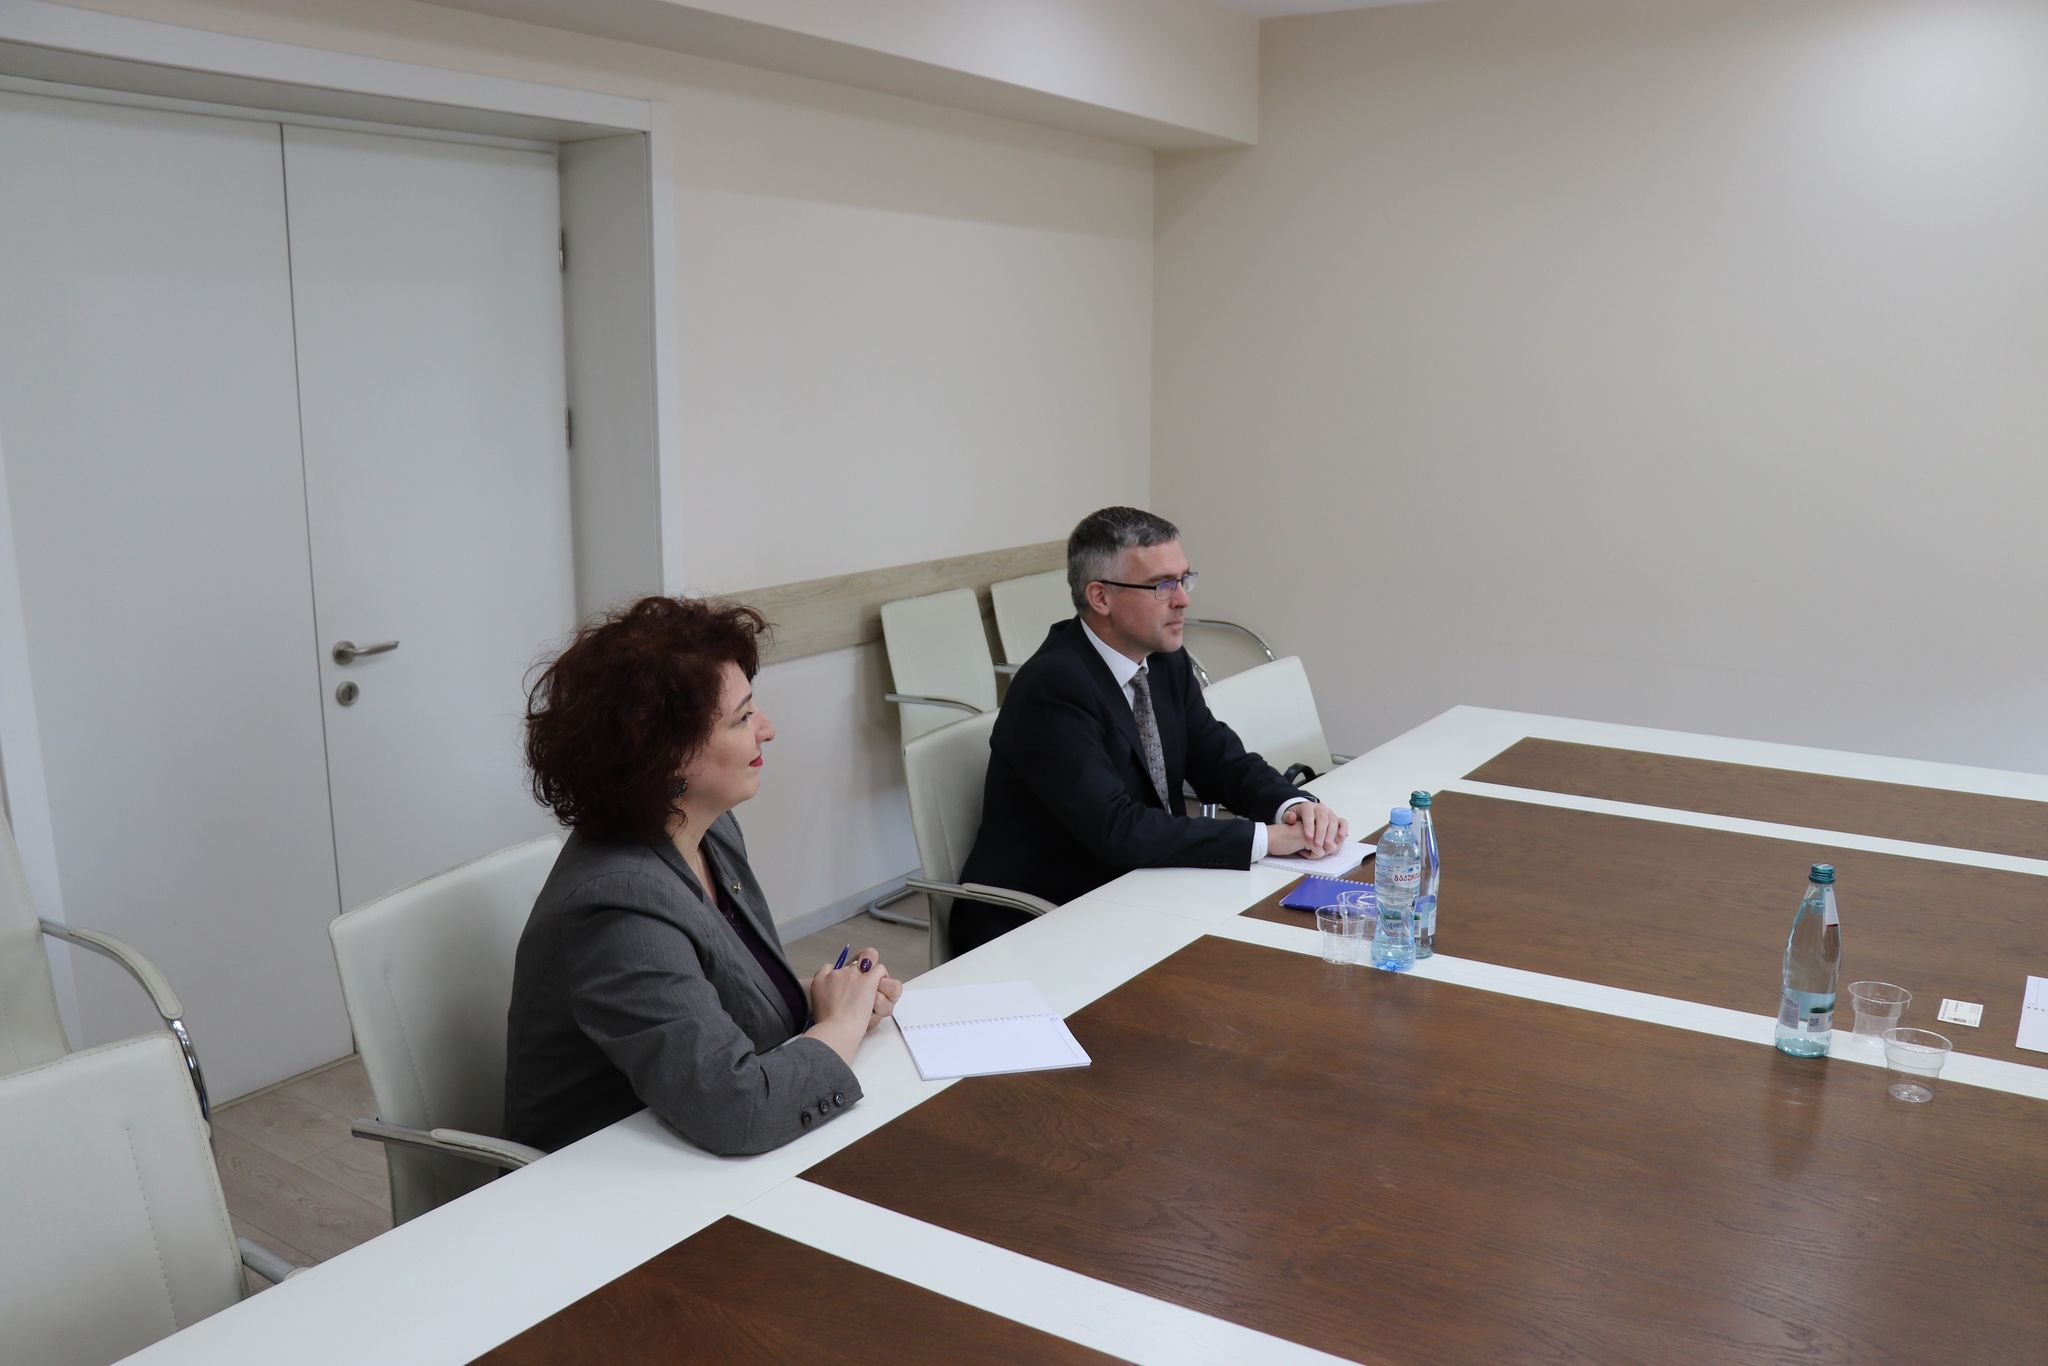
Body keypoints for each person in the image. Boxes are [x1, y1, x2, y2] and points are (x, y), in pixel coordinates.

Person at [504, 596, 902, 1156]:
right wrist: (838, 1028)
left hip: (688, 1156)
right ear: (665, 755)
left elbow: (724, 1004)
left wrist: (834, 1003)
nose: (767, 728)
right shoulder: (616, 907)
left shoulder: (709, 832)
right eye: (743, 718)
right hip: (608, 1185)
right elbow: (739, 1112)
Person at [954, 507, 1349, 953]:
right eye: (1162, 585)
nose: (1182, 600)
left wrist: (1291, 807)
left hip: (1144, 889)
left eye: (1184, 580)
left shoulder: (1163, 660)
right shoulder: (1053, 688)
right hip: (1047, 921)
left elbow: (1219, 761)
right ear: (1100, 597)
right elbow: (1116, 829)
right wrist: (1265, 840)